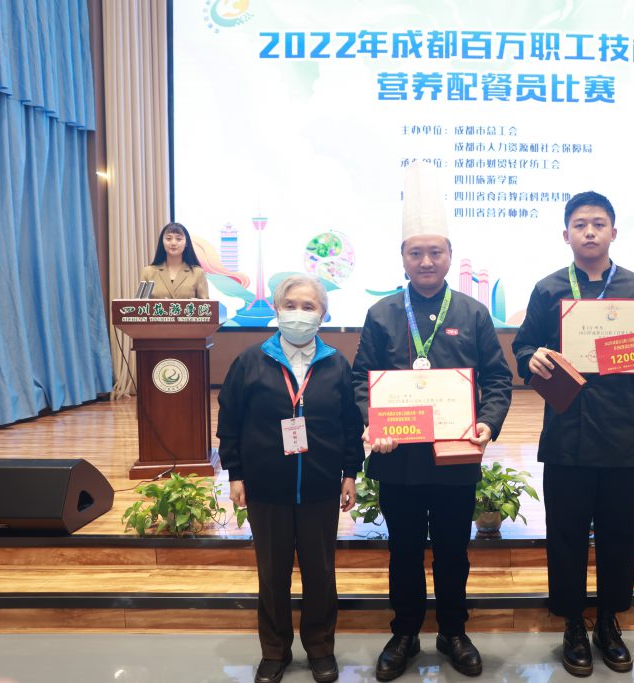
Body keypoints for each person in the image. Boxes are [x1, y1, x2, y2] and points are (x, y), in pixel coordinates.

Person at [352, 161, 512, 681]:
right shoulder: (381, 314)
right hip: (398, 460)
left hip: (455, 458)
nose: (426, 261)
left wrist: (488, 423)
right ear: (402, 257)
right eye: (416, 252)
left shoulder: (472, 312)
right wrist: (372, 423)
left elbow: (498, 378)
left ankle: (452, 631)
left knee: (452, 552)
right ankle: (404, 633)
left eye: (435, 252)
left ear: (449, 255)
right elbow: (361, 381)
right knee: (402, 552)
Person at [511, 191, 634, 677]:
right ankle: (572, 625)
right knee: (565, 535)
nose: (589, 232)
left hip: (622, 432)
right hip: (567, 431)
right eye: (580, 224)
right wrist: (530, 357)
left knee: (618, 534)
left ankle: (608, 621)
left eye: (598, 224)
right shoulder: (548, 289)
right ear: (566, 234)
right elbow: (523, 348)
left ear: (613, 232)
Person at [218, 274, 364, 683]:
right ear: (277, 310)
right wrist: (236, 473)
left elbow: (350, 425)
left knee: (321, 574)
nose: (299, 314)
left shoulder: (336, 364)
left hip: (320, 486)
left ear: (323, 314)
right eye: (290, 305)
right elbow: (230, 421)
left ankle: (320, 648)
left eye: (308, 306)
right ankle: (274, 650)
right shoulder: (250, 361)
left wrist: (350, 472)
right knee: (272, 574)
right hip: (266, 488)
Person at [140, 222, 209, 298]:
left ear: (186, 243)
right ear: (162, 242)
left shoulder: (198, 273)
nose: (173, 243)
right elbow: (140, 304)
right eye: (168, 239)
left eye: (178, 239)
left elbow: (206, 304)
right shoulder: (148, 272)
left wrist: (197, 303)